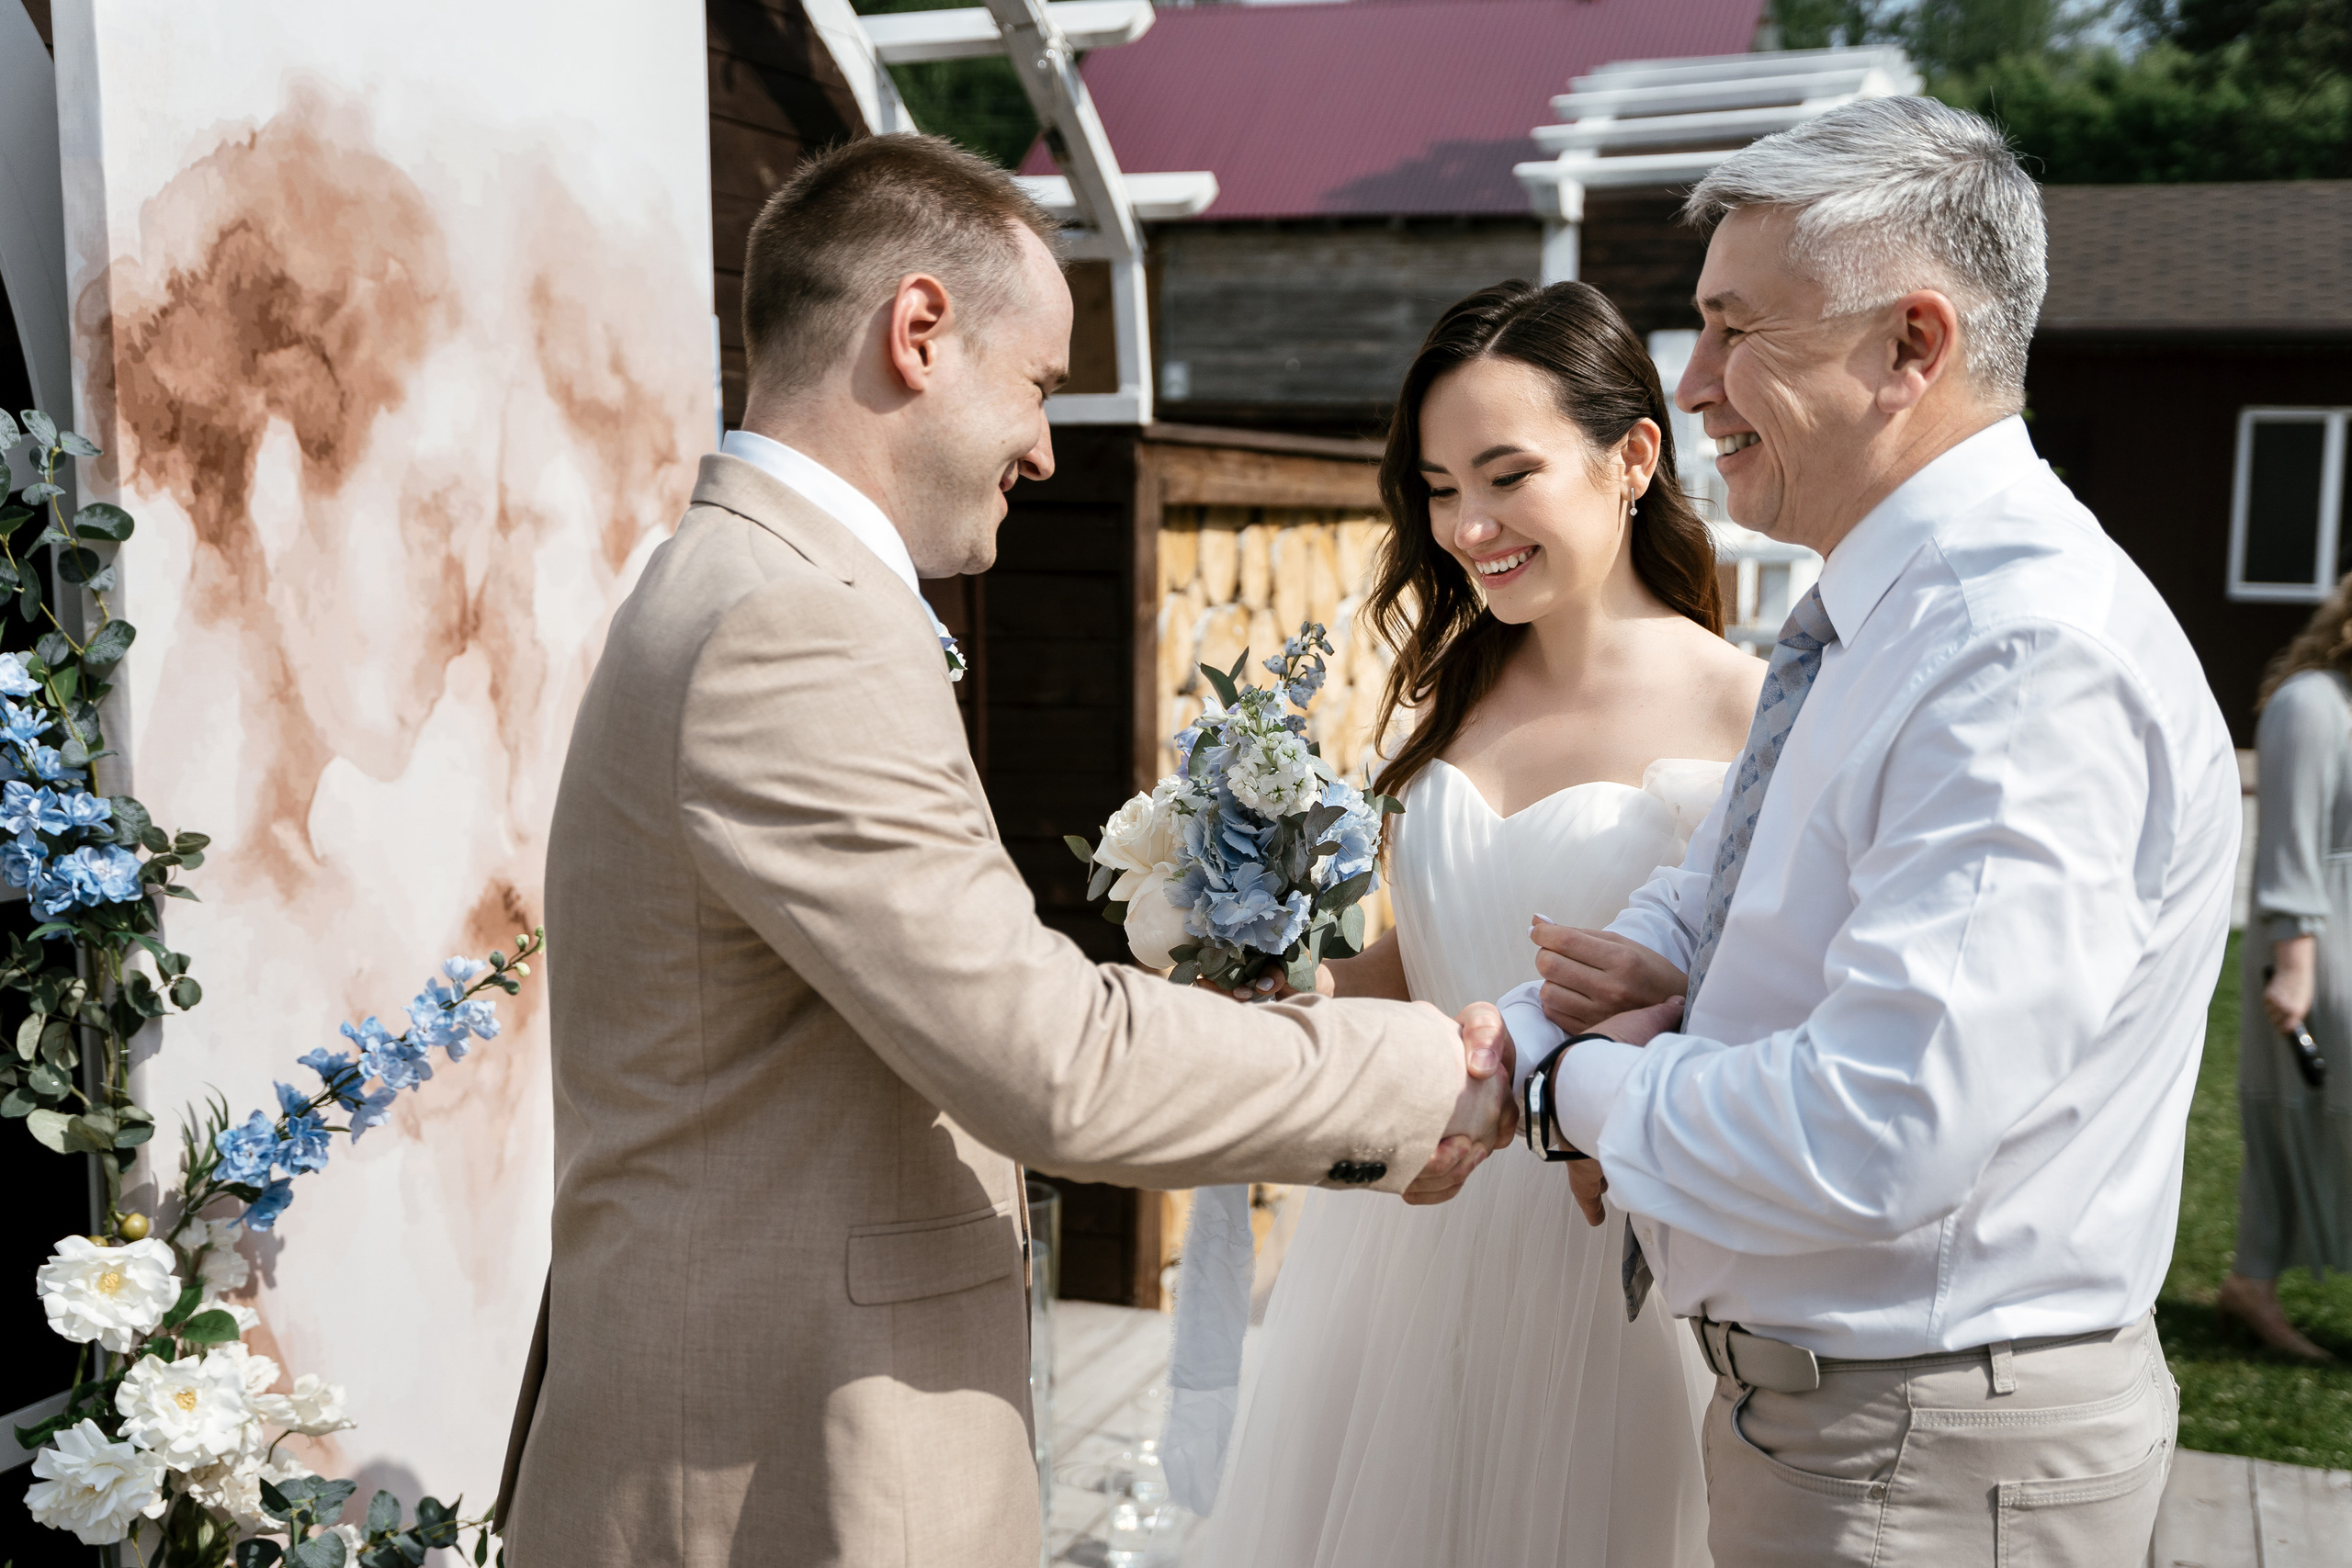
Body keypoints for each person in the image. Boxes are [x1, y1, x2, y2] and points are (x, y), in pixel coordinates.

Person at [491, 134, 1517, 1568]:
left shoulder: (737, 576)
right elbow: (1049, 1060)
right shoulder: (795, 620)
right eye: (1040, 383)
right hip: (778, 1466)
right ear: (919, 331)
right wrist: (1427, 1074)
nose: (1046, 445)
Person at [1506, 96, 2240, 1567]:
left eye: (1737, 330)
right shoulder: (1889, 611)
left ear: (1912, 346)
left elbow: (1883, 1125)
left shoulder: (2015, 656)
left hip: (1923, 1453)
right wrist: (1648, 968)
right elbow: (1735, 875)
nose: (1692, 384)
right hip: (1864, 1429)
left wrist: (1563, 1088)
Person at [1190, 280, 1763, 1568]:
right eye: (1441, 487)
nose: (1467, 527)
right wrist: (1275, 985)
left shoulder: (1745, 710)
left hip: (1597, 1242)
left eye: (1507, 477)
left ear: (1634, 456)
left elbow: (1773, 1002)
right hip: (1404, 1226)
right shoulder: (1446, 692)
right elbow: (1428, 956)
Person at [2222, 586, 2352, 1361]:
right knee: (2305, 1115)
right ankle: (2253, 1280)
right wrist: (2295, 968)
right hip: (2322, 948)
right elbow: (2291, 844)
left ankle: (2252, 1280)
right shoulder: (2311, 703)